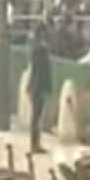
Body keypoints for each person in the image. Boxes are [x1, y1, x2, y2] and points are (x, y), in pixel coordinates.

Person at [28, 23, 51, 155]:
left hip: (36, 86)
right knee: (36, 117)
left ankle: (36, 143)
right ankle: (34, 144)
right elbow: (40, 71)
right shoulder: (40, 49)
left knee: (36, 117)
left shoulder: (36, 48)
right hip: (38, 87)